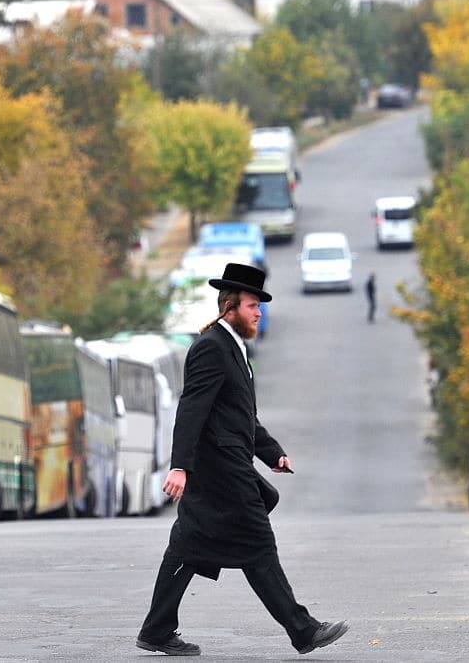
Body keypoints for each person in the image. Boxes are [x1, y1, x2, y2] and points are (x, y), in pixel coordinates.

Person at [136, 263, 348, 657]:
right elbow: (191, 410)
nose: (259, 312)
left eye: (259, 306)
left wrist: (272, 453)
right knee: (258, 544)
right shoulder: (211, 348)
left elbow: (241, 416)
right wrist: (179, 466)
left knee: (187, 546)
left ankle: (157, 629)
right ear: (230, 305)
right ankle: (302, 630)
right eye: (253, 305)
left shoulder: (233, 346)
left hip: (224, 471)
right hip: (221, 475)